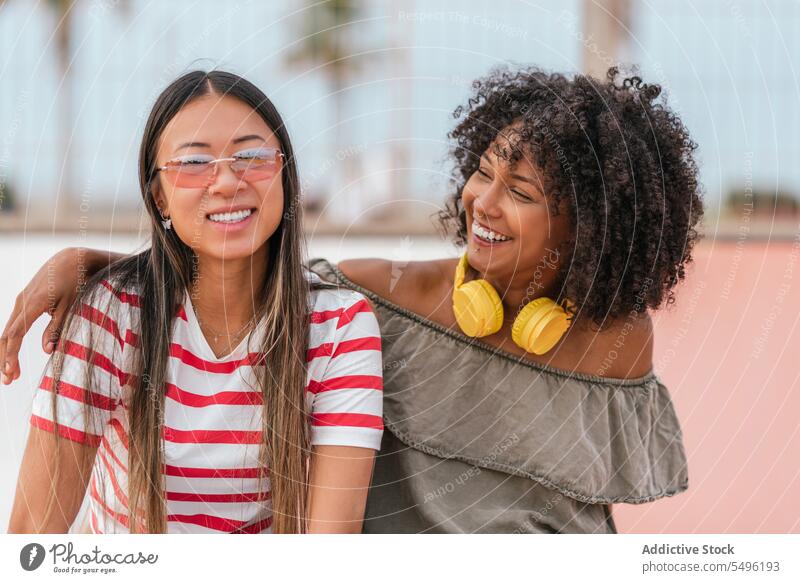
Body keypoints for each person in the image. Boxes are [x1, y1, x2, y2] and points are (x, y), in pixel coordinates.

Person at [2, 66, 701, 533]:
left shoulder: (619, 338)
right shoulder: (390, 298)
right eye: (482, 174)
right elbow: (246, 265)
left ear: (596, 230)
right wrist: (97, 267)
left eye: (520, 194)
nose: (483, 203)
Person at [5, 70, 384, 534]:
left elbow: (330, 552)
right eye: (193, 163)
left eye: (251, 156)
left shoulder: (339, 327)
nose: (226, 181)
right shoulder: (112, 314)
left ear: (285, 176)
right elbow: (31, 538)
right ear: (158, 198)